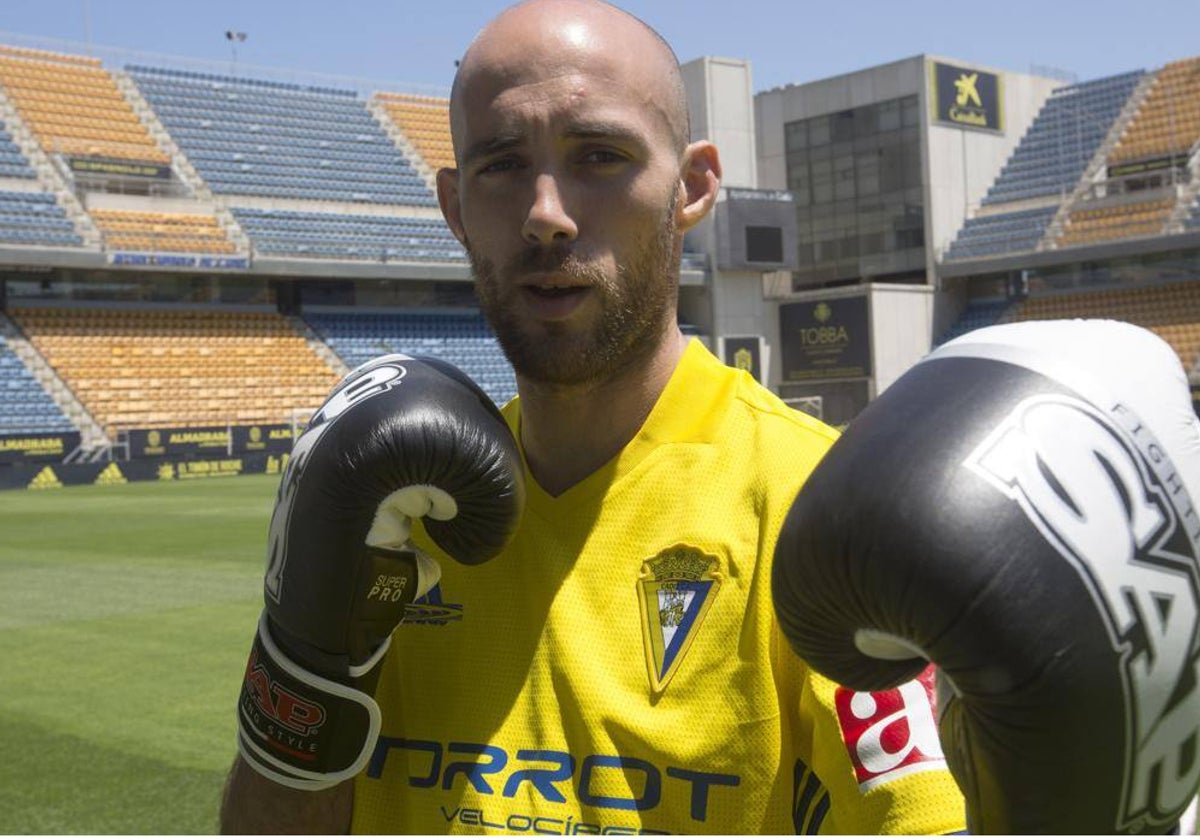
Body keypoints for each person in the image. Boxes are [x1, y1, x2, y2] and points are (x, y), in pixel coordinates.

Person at [219, 0, 967, 832]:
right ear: (457, 207)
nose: (547, 212)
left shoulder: (820, 511)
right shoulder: (401, 513)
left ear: (691, 187)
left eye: (599, 156)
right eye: (501, 166)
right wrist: (300, 664)